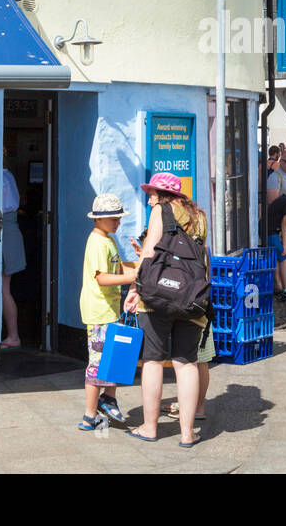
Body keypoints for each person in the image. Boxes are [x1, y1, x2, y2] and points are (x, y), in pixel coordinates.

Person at [123, 173, 209, 447]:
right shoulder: (200, 217)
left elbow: (149, 251)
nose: (149, 200)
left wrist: (135, 288)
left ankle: (150, 428)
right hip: (191, 297)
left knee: (153, 359)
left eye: (151, 194)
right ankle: (187, 432)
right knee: (186, 363)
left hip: (157, 295)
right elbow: (205, 258)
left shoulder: (162, 210)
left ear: (162, 195)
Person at [79, 194, 136, 430]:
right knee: (96, 364)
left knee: (114, 358)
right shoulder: (97, 243)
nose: (118, 223)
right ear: (99, 219)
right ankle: (89, 415)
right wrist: (131, 277)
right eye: (114, 218)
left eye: (119, 218)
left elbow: (120, 265)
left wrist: (139, 264)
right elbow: (102, 278)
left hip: (109, 310)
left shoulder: (109, 240)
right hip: (99, 312)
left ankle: (109, 398)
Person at [0, 161, 24, 349]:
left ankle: (13, 335)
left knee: (2, 289)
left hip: (3, 233)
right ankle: (12, 335)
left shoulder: (0, 177)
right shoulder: (8, 176)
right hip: (10, 231)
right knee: (4, 289)